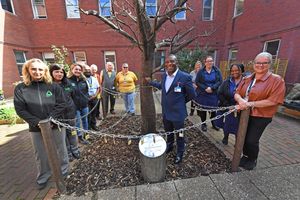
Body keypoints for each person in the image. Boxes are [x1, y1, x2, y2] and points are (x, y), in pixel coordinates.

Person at [14, 58, 69, 190]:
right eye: (33, 69)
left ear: (45, 71)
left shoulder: (53, 86)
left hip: (55, 124)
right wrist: (37, 122)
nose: (37, 72)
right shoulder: (21, 88)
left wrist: (50, 119)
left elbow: (62, 104)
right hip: (35, 127)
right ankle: (44, 176)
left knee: (61, 149)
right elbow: (20, 109)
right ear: (28, 70)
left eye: (40, 69)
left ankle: (63, 172)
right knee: (40, 153)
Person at [235, 52, 286, 170]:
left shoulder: (276, 80)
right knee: (241, 136)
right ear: (254, 64)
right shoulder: (247, 78)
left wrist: (250, 104)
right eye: (258, 62)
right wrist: (241, 101)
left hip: (261, 116)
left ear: (270, 64)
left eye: (265, 63)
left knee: (251, 140)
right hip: (243, 113)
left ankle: (252, 158)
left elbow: (274, 100)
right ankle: (245, 155)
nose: (261, 65)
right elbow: (237, 93)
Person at [146, 54, 196, 164]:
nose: (169, 64)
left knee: (180, 134)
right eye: (167, 62)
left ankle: (180, 152)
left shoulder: (185, 77)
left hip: (178, 114)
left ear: (176, 63)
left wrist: (180, 102)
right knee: (168, 132)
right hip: (166, 112)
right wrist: (150, 82)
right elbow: (162, 87)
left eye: (172, 61)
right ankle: (169, 145)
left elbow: (192, 94)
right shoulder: (164, 76)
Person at [49, 64, 80, 161]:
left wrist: (73, 109)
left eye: (61, 72)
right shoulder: (48, 86)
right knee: (63, 137)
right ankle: (68, 153)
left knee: (73, 133)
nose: (59, 74)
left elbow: (73, 96)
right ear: (51, 73)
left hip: (70, 115)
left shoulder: (67, 84)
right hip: (59, 117)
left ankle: (75, 150)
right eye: (56, 71)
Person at [217, 63, 244, 145]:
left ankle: (237, 141)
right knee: (227, 124)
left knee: (239, 126)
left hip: (241, 108)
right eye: (232, 71)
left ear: (241, 71)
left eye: (236, 70)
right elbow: (220, 93)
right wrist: (228, 105)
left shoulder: (246, 82)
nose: (234, 72)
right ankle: (225, 137)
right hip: (229, 106)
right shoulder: (227, 82)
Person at [195, 56, 223, 132]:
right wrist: (205, 88)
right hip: (203, 93)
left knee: (213, 110)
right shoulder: (201, 71)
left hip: (213, 94)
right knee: (203, 110)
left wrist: (212, 88)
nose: (210, 62)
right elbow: (197, 82)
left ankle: (214, 124)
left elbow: (220, 81)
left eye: (211, 61)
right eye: (208, 61)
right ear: (205, 62)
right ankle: (203, 124)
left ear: (213, 62)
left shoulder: (217, 71)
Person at [67, 63, 90, 145]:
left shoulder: (83, 80)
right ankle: (80, 138)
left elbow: (87, 91)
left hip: (84, 105)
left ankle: (86, 135)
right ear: (72, 70)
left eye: (80, 70)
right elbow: (67, 95)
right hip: (75, 107)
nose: (78, 71)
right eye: (76, 69)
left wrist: (86, 99)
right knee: (77, 122)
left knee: (85, 121)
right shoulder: (68, 81)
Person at [84, 64, 101, 131]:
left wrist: (95, 95)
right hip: (87, 99)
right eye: (87, 70)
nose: (88, 72)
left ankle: (93, 125)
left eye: (89, 70)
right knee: (88, 113)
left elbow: (98, 88)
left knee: (94, 112)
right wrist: (88, 97)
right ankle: (88, 127)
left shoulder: (94, 79)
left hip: (94, 98)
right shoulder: (82, 80)